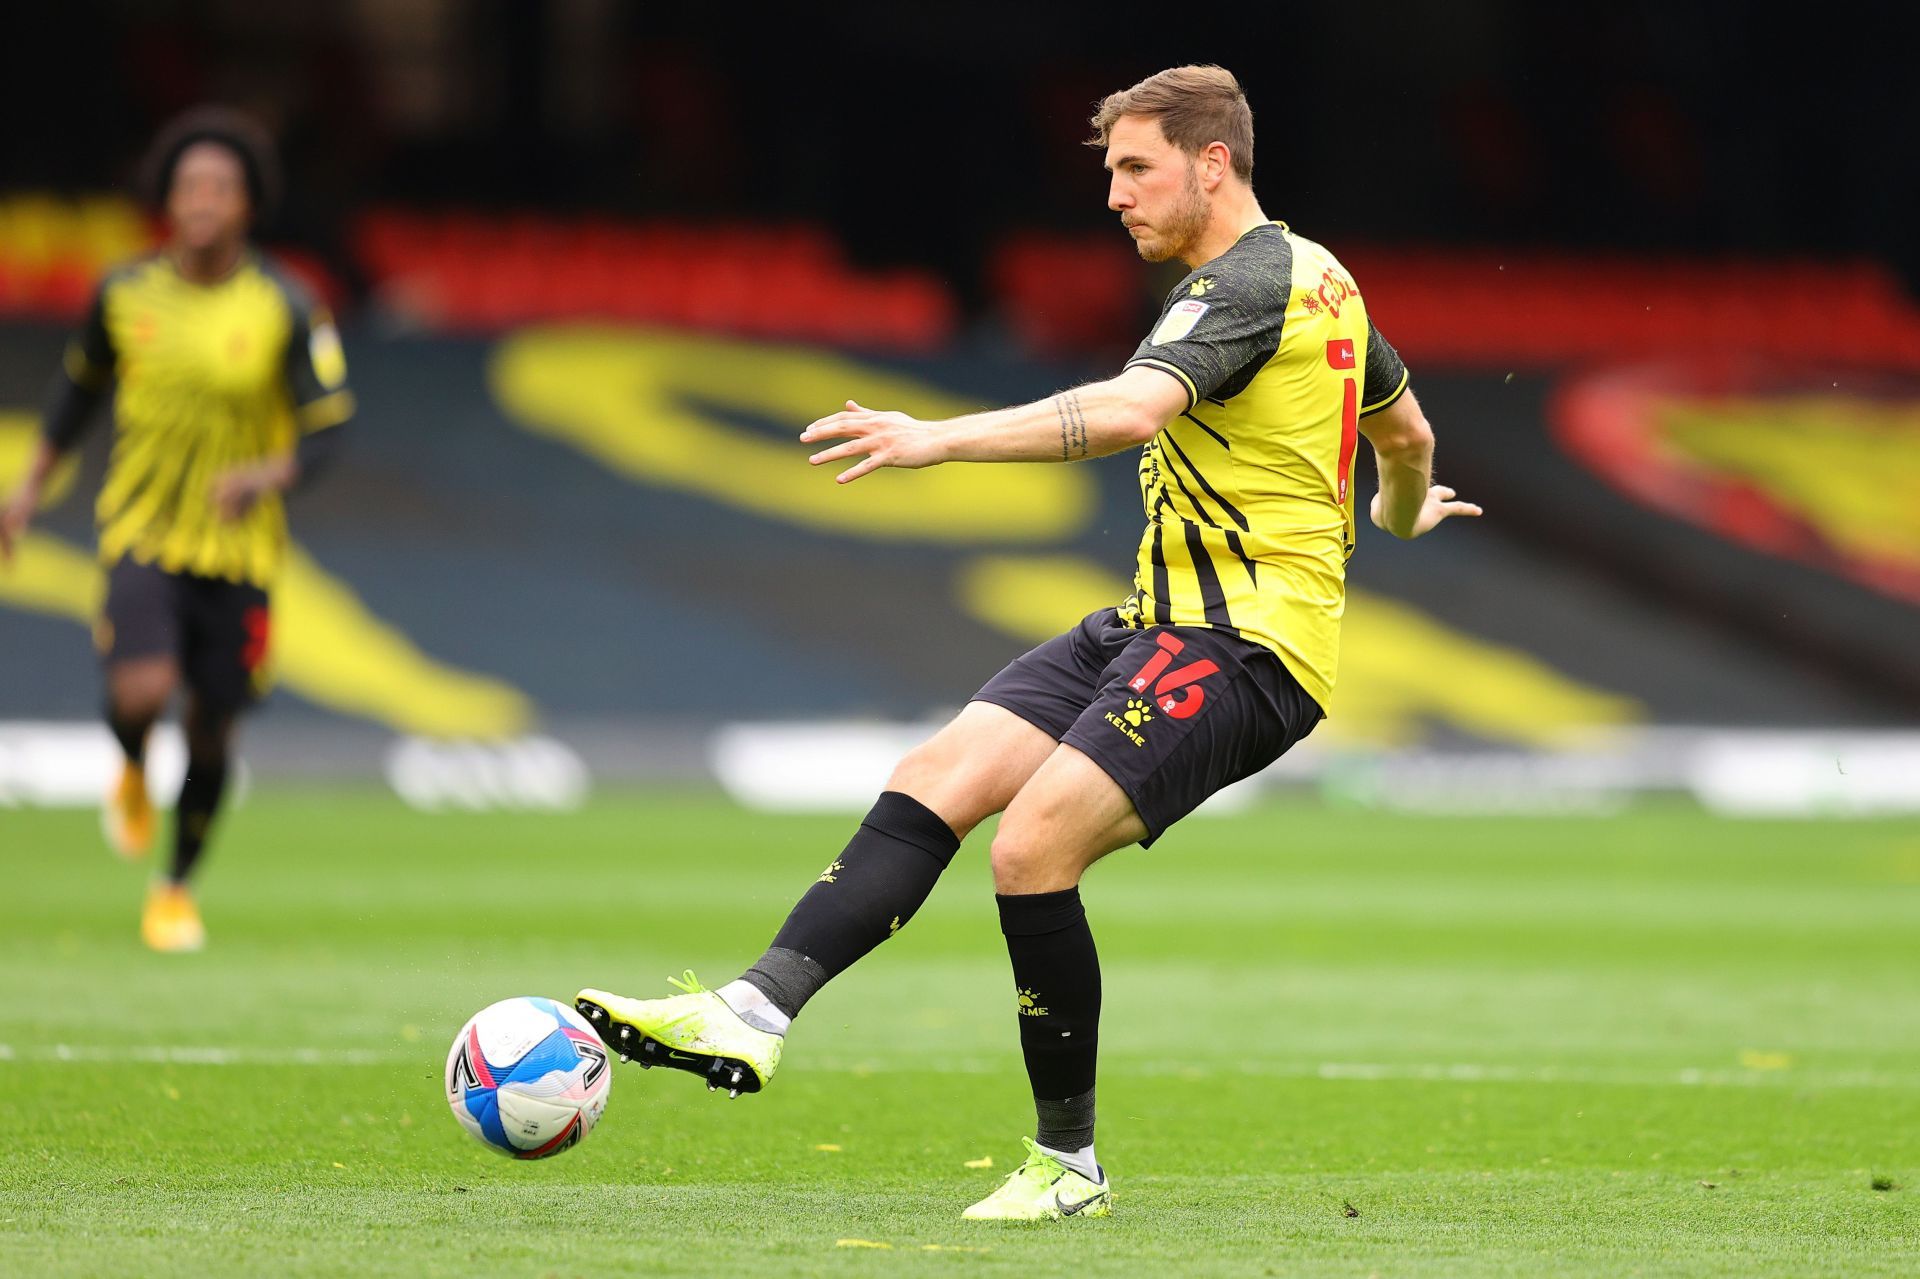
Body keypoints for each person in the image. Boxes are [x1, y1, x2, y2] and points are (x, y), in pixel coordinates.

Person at [576, 64, 1480, 1220]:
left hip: (1245, 643)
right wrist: (1403, 514)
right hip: (1157, 621)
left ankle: (1071, 1166)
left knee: (1031, 846)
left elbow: (1127, 412)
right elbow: (1404, 429)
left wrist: (933, 438)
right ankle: (751, 1011)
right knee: (937, 776)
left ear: (1214, 164)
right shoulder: (1321, 277)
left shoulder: (1240, 283)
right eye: (1110, 170)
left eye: (1135, 167)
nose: (1114, 194)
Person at [0, 107, 353, 952]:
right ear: (168, 196)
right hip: (143, 529)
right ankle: (128, 762)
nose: (201, 200)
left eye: (220, 188)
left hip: (240, 550)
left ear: (248, 205)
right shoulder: (124, 294)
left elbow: (330, 423)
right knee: (142, 692)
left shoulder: (287, 304)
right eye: (189, 185)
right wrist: (28, 488)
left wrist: (266, 473)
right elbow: (76, 396)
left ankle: (174, 886)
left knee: (213, 725)